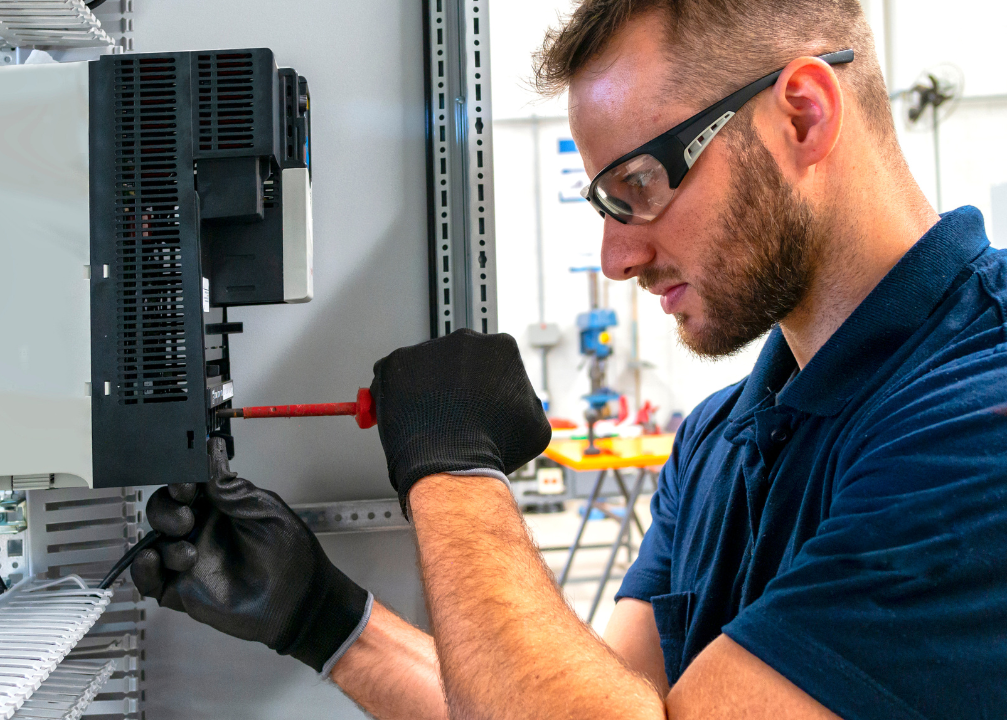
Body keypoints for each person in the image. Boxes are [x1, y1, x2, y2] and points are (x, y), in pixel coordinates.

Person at [130, 0, 1007, 717]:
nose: (617, 258)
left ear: (804, 114)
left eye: (641, 187)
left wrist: (454, 470)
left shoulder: (981, 420)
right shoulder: (720, 441)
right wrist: (324, 618)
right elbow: (579, 704)